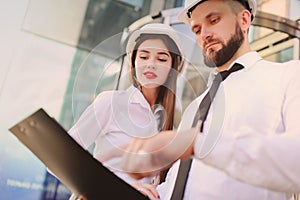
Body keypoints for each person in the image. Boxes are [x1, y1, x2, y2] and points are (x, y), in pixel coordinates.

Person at [110, 0, 300, 199]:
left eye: (214, 20)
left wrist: (196, 143)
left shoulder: (289, 75)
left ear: (244, 20)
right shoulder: (196, 106)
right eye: (197, 29)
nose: (204, 35)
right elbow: (185, 183)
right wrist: (151, 193)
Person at [67, 23, 184, 199]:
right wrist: (122, 188)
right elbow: (61, 160)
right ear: (134, 63)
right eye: (144, 57)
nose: (151, 64)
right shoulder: (111, 103)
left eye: (161, 59)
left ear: (172, 68)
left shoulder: (172, 121)